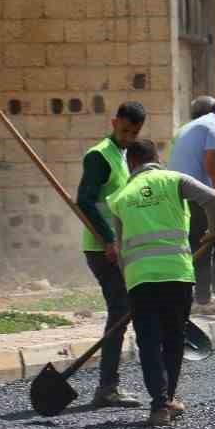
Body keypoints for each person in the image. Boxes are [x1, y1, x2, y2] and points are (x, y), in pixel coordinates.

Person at [106, 139, 215, 427]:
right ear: (156, 159)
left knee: (148, 342)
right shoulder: (173, 180)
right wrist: (214, 232)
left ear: (131, 163)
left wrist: (130, 284)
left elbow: (121, 251)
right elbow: (212, 198)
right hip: (177, 274)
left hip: (140, 280)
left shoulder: (120, 198)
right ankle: (169, 396)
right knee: (173, 338)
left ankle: (160, 406)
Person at [74, 100, 147, 409]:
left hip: (117, 248)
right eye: (125, 130)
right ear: (114, 122)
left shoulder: (121, 154)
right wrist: (108, 239)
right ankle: (107, 387)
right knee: (120, 310)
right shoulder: (99, 156)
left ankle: (108, 385)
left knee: (123, 310)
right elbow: (85, 201)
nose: (128, 137)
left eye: (134, 133)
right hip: (102, 249)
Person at [168, 97, 215, 313]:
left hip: (177, 193)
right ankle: (205, 299)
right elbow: (211, 166)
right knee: (214, 240)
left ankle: (199, 296)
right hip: (197, 194)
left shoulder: (187, 128)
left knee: (197, 244)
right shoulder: (214, 126)